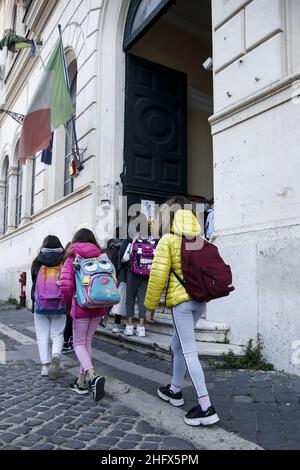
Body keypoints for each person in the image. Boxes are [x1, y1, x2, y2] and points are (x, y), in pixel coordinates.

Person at [144, 196, 219, 427]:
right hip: (200, 300)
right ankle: (175, 390)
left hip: (182, 302)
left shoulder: (168, 240)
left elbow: (158, 276)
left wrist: (149, 307)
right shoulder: (200, 238)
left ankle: (206, 407)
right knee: (177, 345)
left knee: (188, 350)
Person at [60, 228, 106, 402]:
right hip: (98, 305)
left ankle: (92, 376)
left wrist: (68, 305)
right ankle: (81, 382)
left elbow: (65, 286)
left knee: (78, 343)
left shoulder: (73, 258)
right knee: (87, 343)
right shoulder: (101, 257)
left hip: (81, 306)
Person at [31, 235, 66, 379]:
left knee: (42, 334)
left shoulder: (37, 262)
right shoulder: (64, 260)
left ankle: (45, 366)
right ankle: (56, 355)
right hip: (59, 303)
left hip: (41, 303)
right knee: (57, 333)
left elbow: (34, 282)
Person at [124, 215, 156, 338]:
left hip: (133, 272)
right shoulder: (154, 240)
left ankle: (129, 326)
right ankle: (141, 328)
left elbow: (125, 257)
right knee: (143, 300)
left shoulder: (133, 238)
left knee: (130, 299)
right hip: (147, 273)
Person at [62, 242, 73, 354]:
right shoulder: (71, 261)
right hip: (72, 296)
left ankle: (66, 341)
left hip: (67, 296)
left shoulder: (64, 261)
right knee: (70, 320)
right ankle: (69, 341)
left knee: (68, 320)